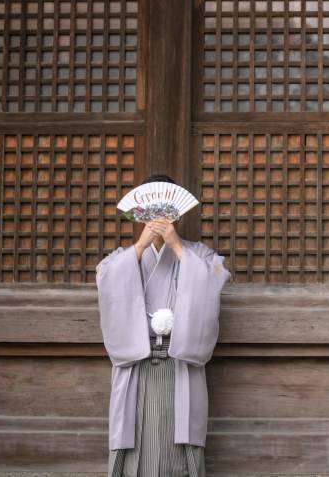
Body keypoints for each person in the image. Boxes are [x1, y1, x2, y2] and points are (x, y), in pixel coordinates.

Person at [96, 174, 231, 477]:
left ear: (177, 214)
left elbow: (215, 278)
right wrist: (140, 246)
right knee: (135, 435)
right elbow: (105, 277)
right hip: (137, 361)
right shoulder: (122, 258)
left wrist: (177, 246)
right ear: (139, 214)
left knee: (179, 438)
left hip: (180, 360)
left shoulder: (199, 255)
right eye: (151, 212)